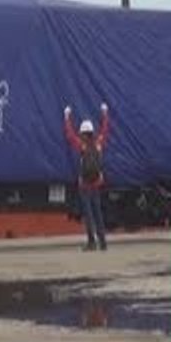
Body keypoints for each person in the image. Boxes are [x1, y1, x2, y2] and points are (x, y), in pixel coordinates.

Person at [63, 102, 110, 251]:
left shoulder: (81, 145)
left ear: (83, 133)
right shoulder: (98, 144)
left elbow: (69, 135)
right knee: (98, 214)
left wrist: (67, 117)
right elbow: (105, 130)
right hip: (97, 182)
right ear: (92, 131)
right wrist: (104, 113)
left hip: (84, 184)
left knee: (88, 215)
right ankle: (103, 242)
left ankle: (92, 242)